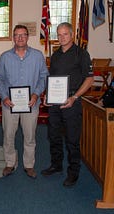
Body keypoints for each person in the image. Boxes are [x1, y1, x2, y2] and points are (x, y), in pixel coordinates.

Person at [41, 22, 94, 186]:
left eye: (65, 34)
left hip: (72, 102)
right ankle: (56, 165)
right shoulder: (55, 55)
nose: (61, 37)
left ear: (72, 35)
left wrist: (75, 97)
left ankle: (73, 172)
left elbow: (90, 79)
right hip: (55, 104)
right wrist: (47, 96)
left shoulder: (82, 54)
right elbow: (52, 79)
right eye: (59, 34)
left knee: (72, 139)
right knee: (54, 136)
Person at [0, 25, 48, 179]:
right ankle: (10, 163)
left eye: (23, 35)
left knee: (30, 136)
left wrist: (36, 95)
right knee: (8, 135)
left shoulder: (38, 56)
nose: (20, 38)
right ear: (13, 37)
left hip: (31, 104)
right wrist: (4, 96)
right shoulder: (5, 57)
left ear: (27, 37)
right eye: (17, 35)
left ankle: (29, 165)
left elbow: (43, 77)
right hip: (9, 104)